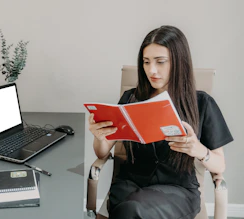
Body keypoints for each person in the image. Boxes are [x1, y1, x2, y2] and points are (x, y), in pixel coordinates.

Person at [88, 25, 233, 219]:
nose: (152, 70)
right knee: (132, 208)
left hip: (176, 192)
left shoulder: (201, 103)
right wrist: (99, 137)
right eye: (146, 62)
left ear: (179, 62)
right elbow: (102, 152)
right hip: (129, 186)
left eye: (160, 62)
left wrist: (197, 149)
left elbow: (219, 165)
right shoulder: (131, 99)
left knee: (133, 211)